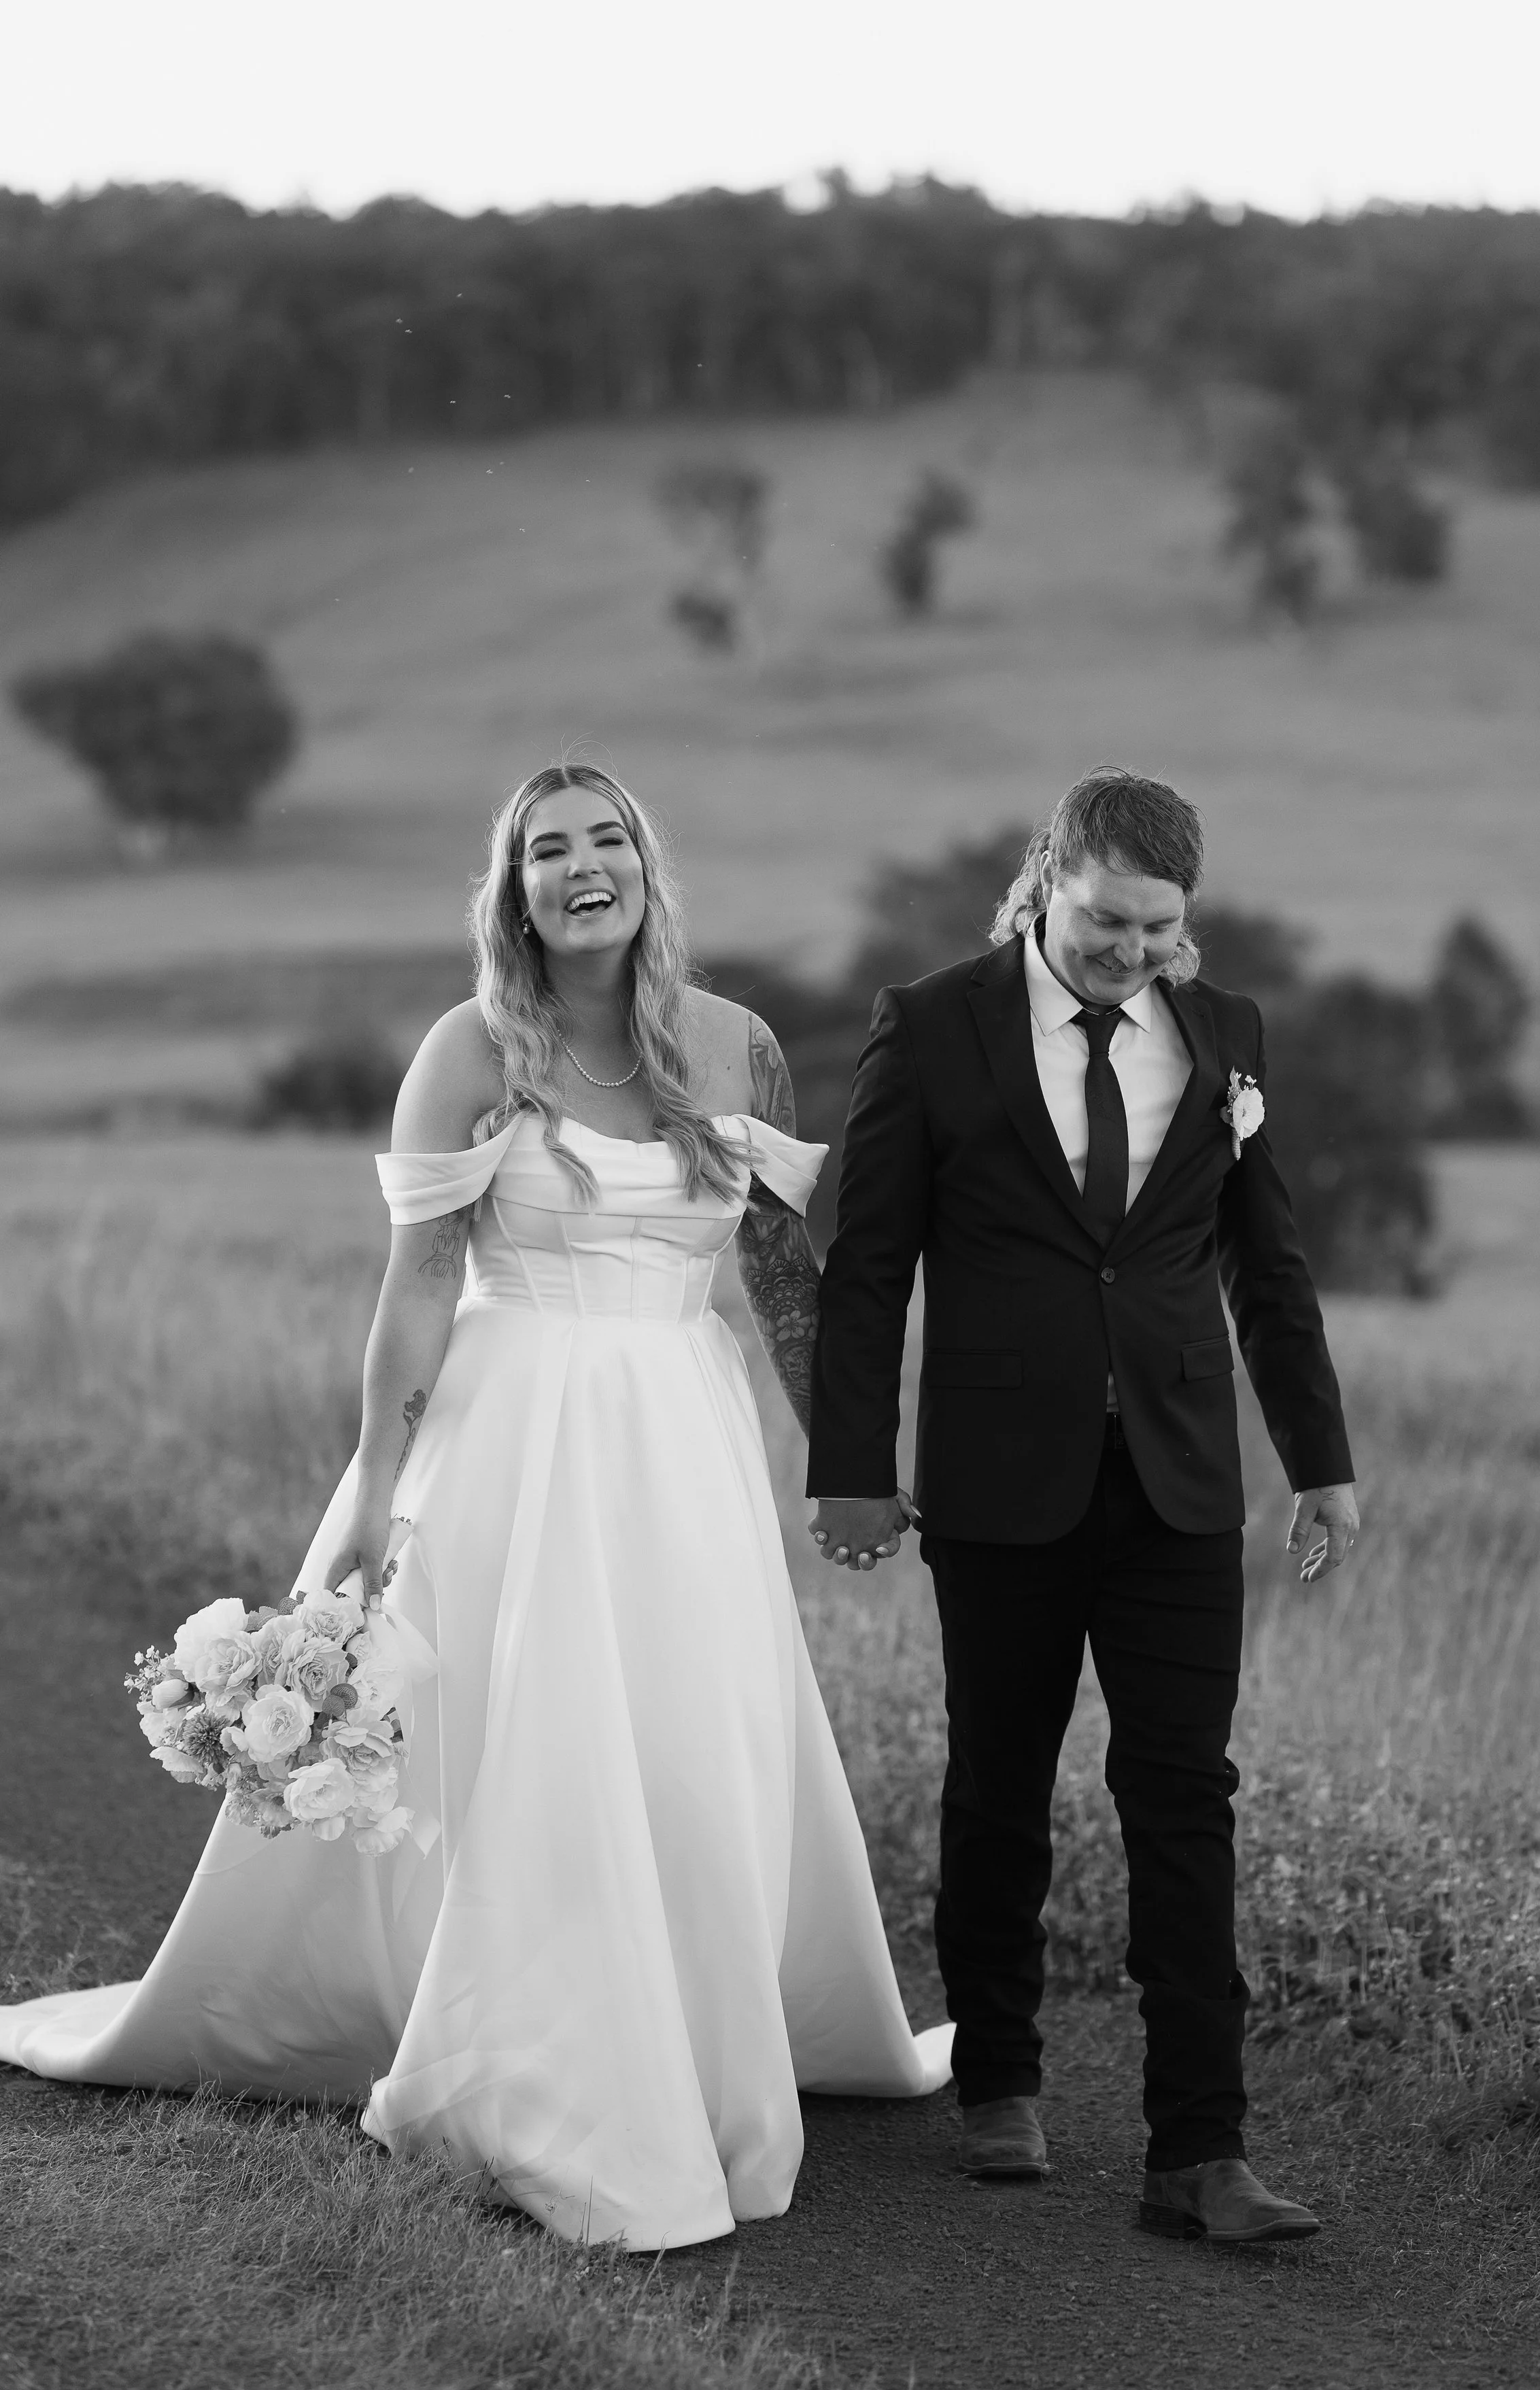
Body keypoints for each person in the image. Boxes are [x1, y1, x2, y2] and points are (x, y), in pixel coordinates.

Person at [0, 758, 950, 2249]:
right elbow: (422, 1282)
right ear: (511, 893)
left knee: (690, 1741)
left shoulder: (736, 1046)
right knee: (527, 1748)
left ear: (648, 864)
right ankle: (530, 2064)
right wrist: (377, 1493)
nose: (583, 869)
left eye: (607, 840)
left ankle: (690, 2035)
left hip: (678, 1442)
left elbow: (777, 1273)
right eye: (546, 852)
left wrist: (851, 1461)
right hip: (509, 1435)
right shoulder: (472, 1048)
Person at [807, 764, 1358, 2245]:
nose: (1131, 953)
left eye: (1157, 928)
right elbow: (867, 1268)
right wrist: (850, 1467)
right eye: (1107, 921)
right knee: (1000, 1782)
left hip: (1180, 1481)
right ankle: (997, 2077)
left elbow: (1268, 1263)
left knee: (1184, 1795)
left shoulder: (1221, 1033)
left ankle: (1199, 2150)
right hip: (1000, 1480)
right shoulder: (931, 1027)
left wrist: (1319, 1456)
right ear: (1046, 874)